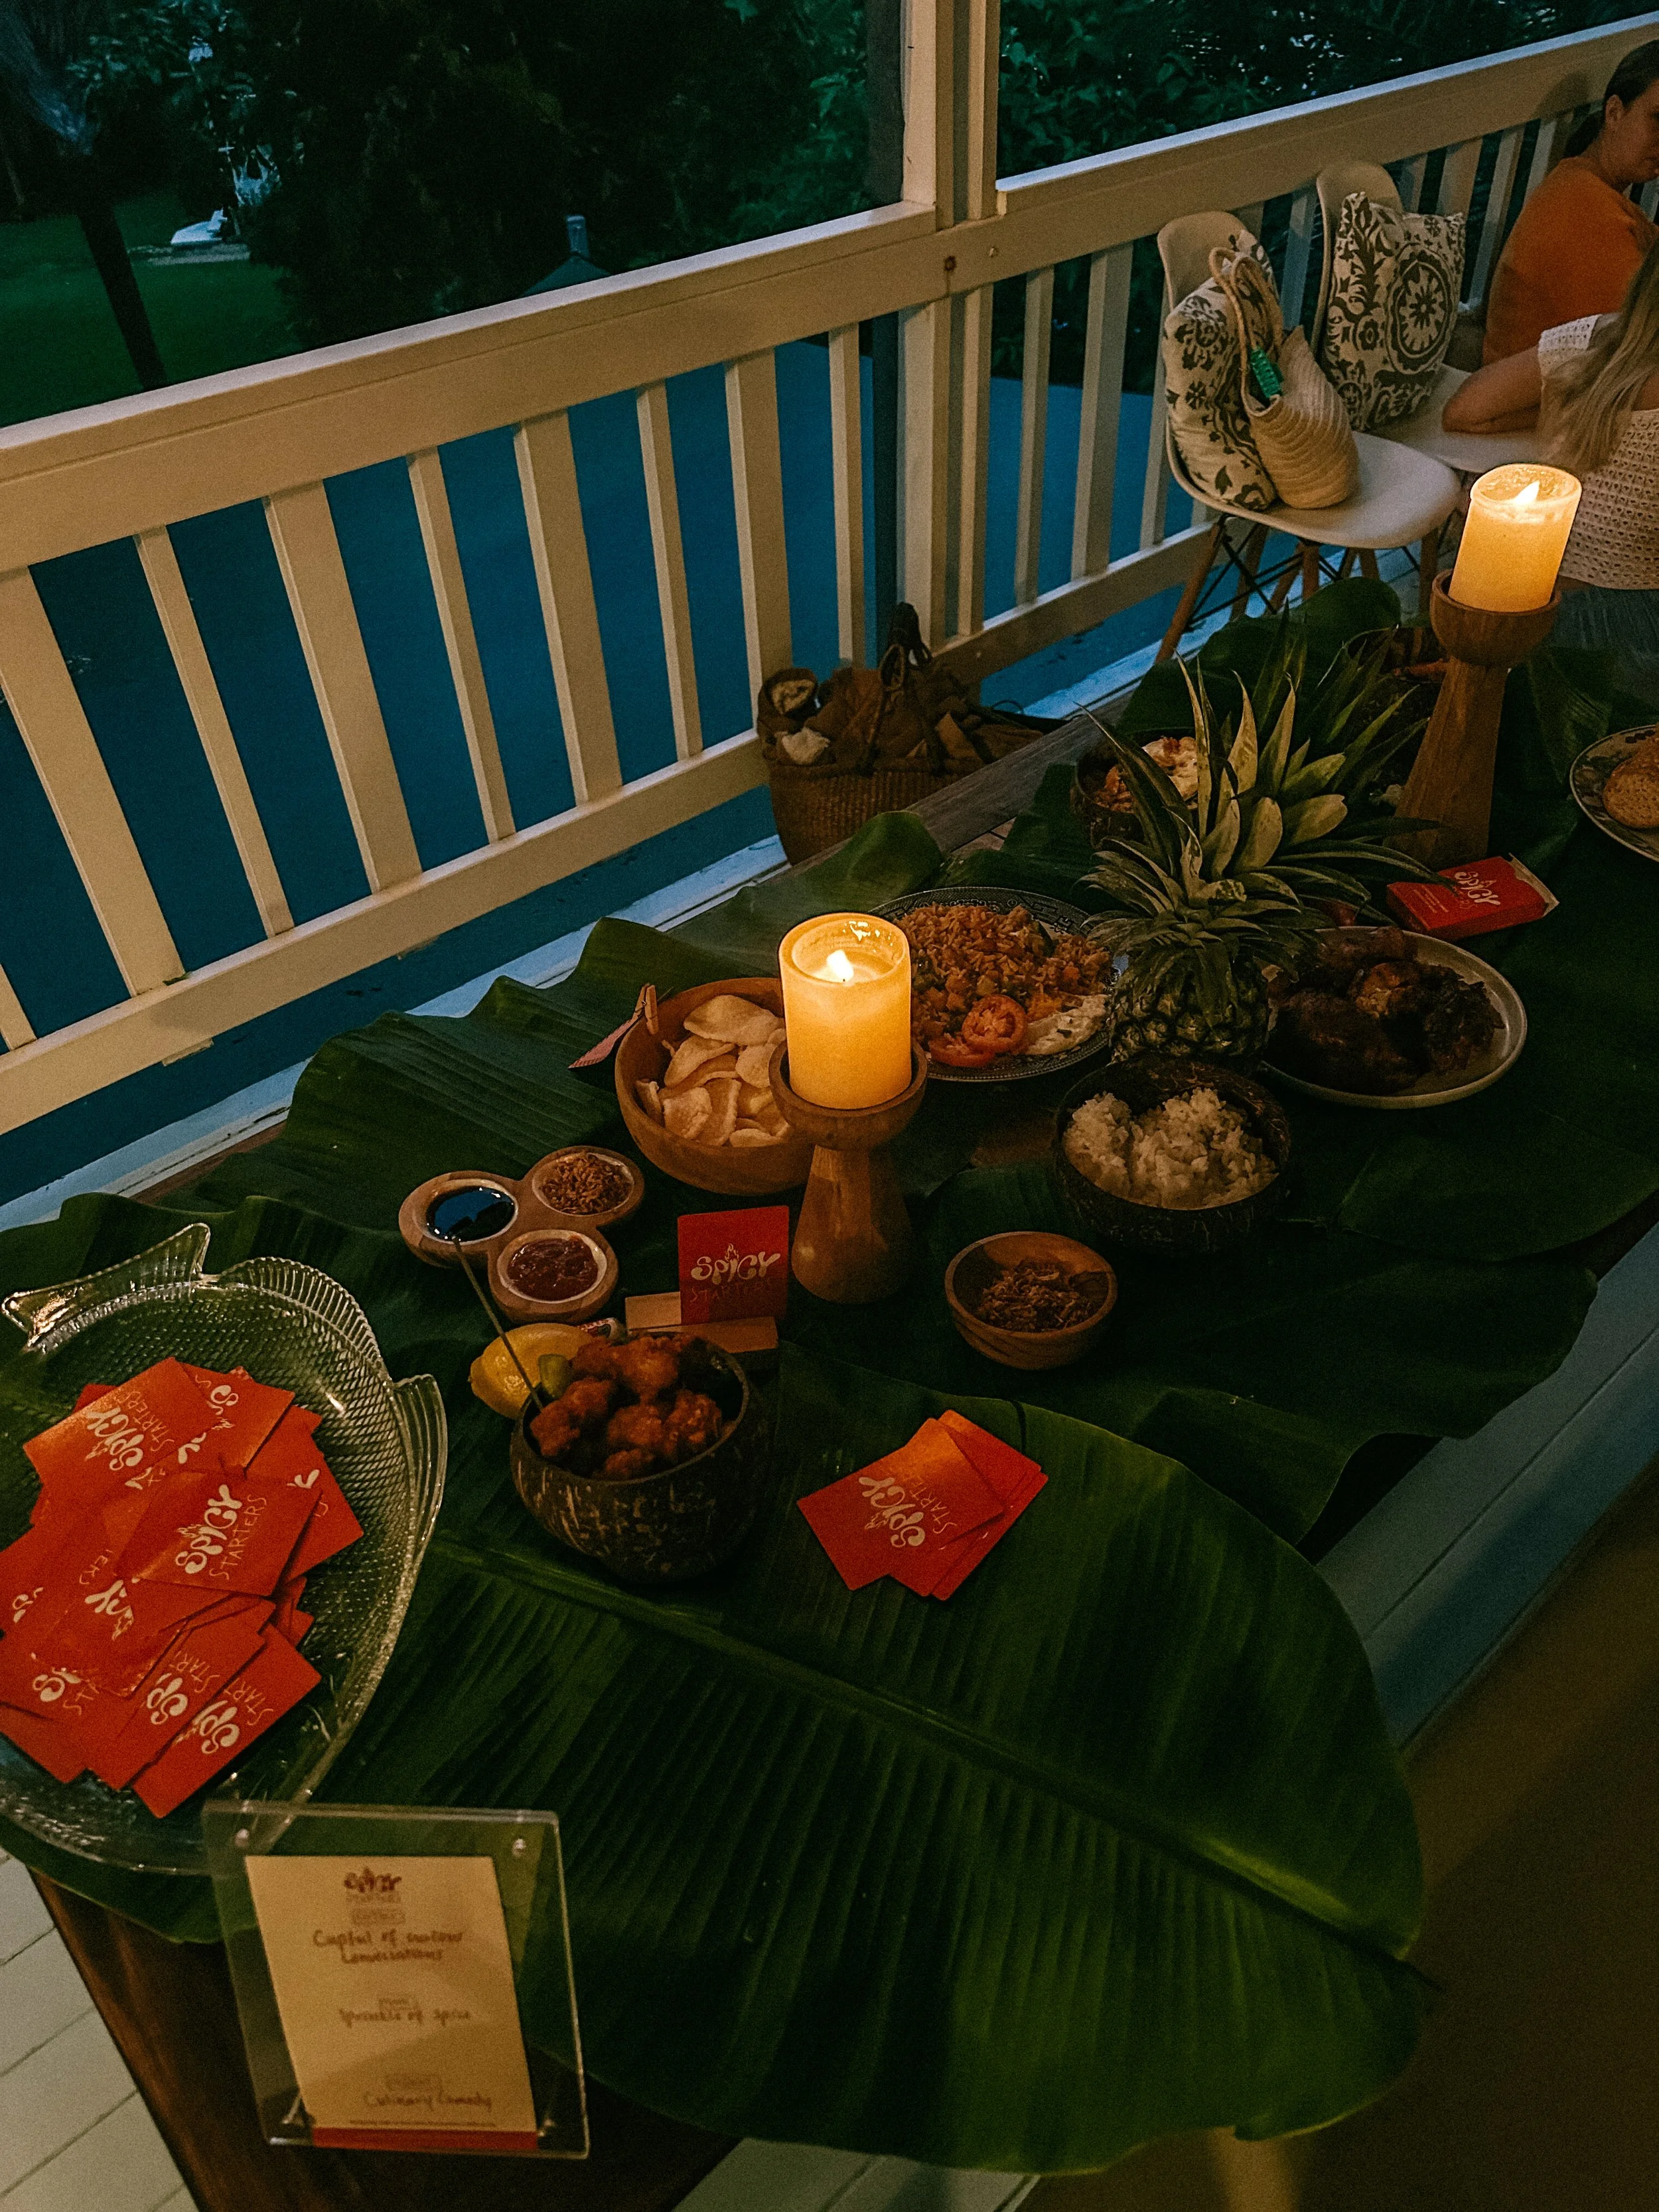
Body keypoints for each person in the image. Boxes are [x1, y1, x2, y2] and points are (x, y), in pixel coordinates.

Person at [1445, 237, 1659, 676]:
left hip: (1511, 601)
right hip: (1626, 635)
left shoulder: (1591, 340)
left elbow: (1466, 412)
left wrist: (1571, 412)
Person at [1482, 40, 1659, 364]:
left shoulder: (1582, 185)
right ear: (1615, 112)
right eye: (1658, 119)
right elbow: (1642, 341)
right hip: (1533, 407)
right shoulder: (1584, 207)